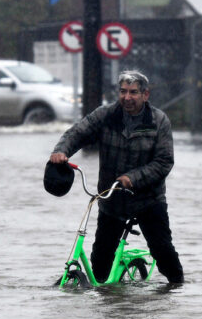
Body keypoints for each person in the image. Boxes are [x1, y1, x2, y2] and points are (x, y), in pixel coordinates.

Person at [49, 70, 184, 284]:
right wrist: (61, 151)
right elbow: (78, 132)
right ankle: (107, 308)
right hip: (111, 200)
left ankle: (178, 288)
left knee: (163, 252)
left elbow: (164, 162)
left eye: (133, 92)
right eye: (123, 91)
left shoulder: (159, 121)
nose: (127, 97)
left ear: (145, 95)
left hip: (148, 200)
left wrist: (134, 177)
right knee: (100, 263)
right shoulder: (106, 115)